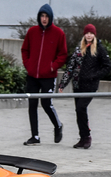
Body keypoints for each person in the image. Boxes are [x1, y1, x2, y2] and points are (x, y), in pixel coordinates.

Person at [58, 24, 111, 149]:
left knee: (81, 108)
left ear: (94, 35)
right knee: (79, 111)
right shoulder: (78, 50)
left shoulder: (99, 49)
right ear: (84, 34)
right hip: (78, 85)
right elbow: (70, 68)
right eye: (87, 33)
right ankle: (82, 138)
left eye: (91, 33)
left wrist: (94, 75)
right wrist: (63, 84)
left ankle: (87, 136)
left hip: (90, 85)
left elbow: (107, 66)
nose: (89, 35)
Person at [21, 4, 68, 146]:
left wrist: (52, 66)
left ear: (50, 18)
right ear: (39, 17)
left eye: (46, 16)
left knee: (46, 104)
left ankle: (58, 125)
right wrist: (28, 65)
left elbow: (63, 54)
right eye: (42, 16)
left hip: (48, 77)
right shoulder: (32, 32)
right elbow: (25, 50)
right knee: (32, 105)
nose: (44, 19)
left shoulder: (58, 33)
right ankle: (35, 136)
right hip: (32, 76)